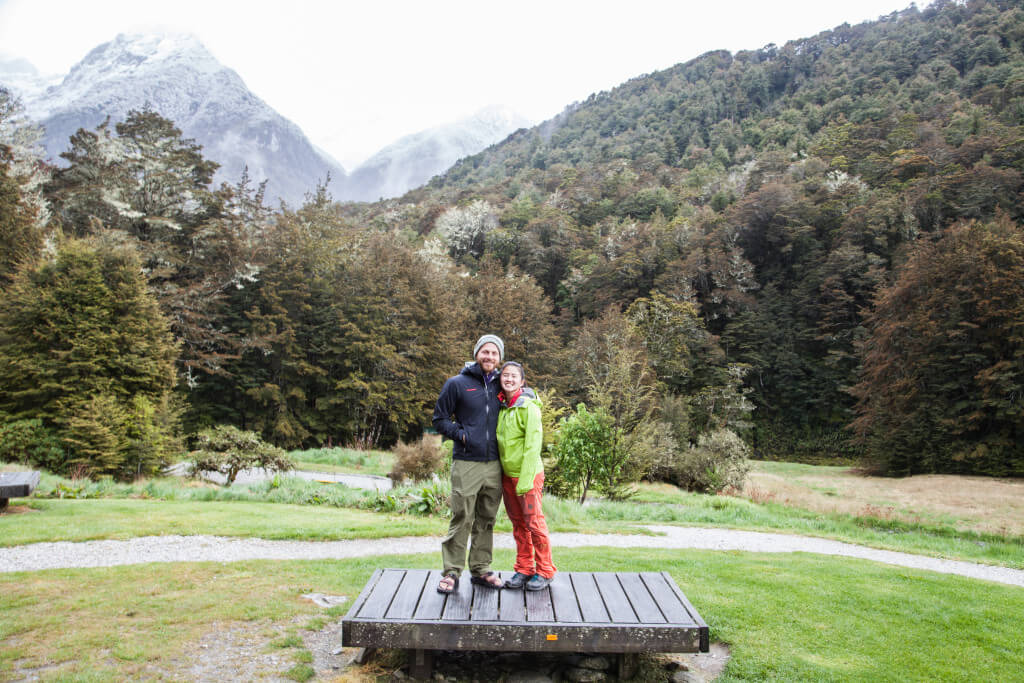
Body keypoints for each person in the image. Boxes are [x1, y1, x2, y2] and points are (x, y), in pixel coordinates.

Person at [432, 334, 506, 594]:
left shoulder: (503, 385)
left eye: (494, 353)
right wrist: (461, 434)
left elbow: (522, 396)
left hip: (495, 463)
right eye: (485, 351)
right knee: (462, 517)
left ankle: (481, 569)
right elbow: (439, 419)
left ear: (500, 358)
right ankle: (451, 572)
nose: (489, 357)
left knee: (486, 519)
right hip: (467, 462)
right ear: (476, 353)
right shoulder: (457, 384)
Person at [496, 360, 556, 591]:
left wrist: (525, 480)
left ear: (522, 382)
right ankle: (524, 568)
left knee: (534, 523)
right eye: (505, 375)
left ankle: (546, 570)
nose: (509, 379)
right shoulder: (503, 407)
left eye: (514, 376)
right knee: (518, 524)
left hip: (528, 477)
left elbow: (533, 446)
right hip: (507, 477)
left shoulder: (529, 407)